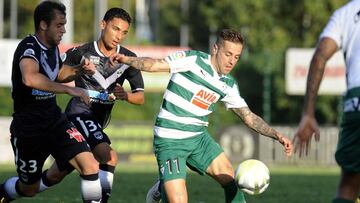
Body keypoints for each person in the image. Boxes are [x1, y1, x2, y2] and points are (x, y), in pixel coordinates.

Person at [110, 29, 293, 203]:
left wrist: (276, 135)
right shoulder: (193, 60)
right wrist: (126, 59)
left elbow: (249, 117)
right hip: (170, 140)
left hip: (198, 139)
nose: (231, 61)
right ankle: (164, 186)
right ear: (215, 48)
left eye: (236, 57)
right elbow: (154, 65)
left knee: (231, 180)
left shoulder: (228, 85)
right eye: (227, 54)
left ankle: (165, 183)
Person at [37, 7, 144, 203]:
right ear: (103, 25)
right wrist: (78, 70)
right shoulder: (80, 52)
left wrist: (125, 96)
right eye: (115, 29)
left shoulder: (128, 59)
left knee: (54, 176)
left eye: (124, 32)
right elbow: (56, 75)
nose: (119, 36)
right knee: (109, 157)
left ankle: (10, 191)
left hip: (98, 121)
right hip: (78, 114)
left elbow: (140, 97)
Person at [0, 1, 103, 203]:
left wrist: (78, 71)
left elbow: (57, 73)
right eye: (59, 25)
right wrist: (70, 89)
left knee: (90, 165)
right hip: (29, 128)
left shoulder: (53, 47)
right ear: (43, 25)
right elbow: (30, 78)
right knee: (29, 188)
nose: (64, 30)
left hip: (56, 121)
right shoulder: (28, 47)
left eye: (64, 25)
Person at [293, 1, 360, 203]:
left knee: (349, 185)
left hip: (356, 102)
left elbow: (320, 56)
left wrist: (308, 113)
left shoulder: (346, 13)